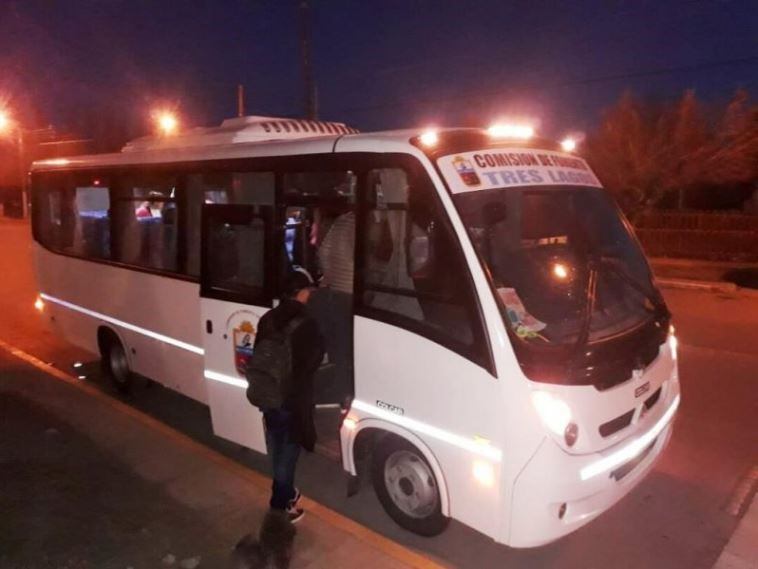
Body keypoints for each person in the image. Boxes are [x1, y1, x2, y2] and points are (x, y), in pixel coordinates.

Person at [253, 269, 324, 523]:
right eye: (308, 291)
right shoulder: (307, 322)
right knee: (289, 451)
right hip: (293, 399)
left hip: (268, 392)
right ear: (301, 293)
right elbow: (313, 362)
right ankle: (281, 503)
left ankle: (283, 493)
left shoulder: (268, 318)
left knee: (277, 445)